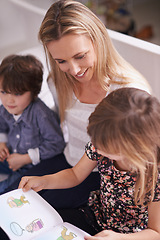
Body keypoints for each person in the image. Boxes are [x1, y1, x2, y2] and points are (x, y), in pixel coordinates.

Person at [3, 0, 151, 208]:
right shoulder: (58, 82)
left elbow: (141, 161)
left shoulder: (128, 93)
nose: (73, 70)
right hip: (67, 161)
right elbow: (51, 129)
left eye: (80, 56)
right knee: (8, 204)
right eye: (61, 61)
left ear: (97, 41)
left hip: (103, 178)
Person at [19, 88, 160, 239]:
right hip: (96, 217)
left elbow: (155, 232)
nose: (97, 147)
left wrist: (120, 238)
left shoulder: (154, 175)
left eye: (104, 147)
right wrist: (44, 181)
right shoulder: (100, 145)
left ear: (133, 148)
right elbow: (75, 174)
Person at [0, 54, 65, 194]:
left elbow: (56, 144)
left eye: (17, 94)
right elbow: (2, 125)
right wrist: (2, 143)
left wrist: (25, 159)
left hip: (31, 166)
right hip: (10, 156)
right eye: (4, 92)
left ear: (34, 92)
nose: (9, 100)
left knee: (7, 190)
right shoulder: (5, 109)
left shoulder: (41, 114)